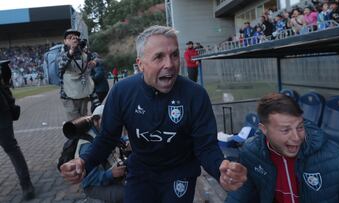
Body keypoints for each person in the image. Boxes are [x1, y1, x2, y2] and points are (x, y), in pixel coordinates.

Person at [60, 25, 247, 203]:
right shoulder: (122, 92)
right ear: (140, 64)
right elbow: (107, 138)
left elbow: (205, 146)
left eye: (174, 55)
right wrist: (84, 161)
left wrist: (220, 168)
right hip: (141, 173)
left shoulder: (195, 94)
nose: (170, 64)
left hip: (180, 174)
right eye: (159, 57)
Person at [225, 92, 339, 203]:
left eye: (300, 127)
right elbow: (239, 197)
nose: (296, 137)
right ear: (264, 129)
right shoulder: (251, 153)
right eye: (285, 130)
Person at [71, 105, 127, 202]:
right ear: (95, 121)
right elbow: (88, 180)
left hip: (108, 174)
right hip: (93, 186)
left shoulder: (102, 132)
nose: (111, 124)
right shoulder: (87, 146)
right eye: (106, 121)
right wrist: (111, 174)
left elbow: (119, 140)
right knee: (129, 193)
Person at [0, 60, 35, 200]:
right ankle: (27, 186)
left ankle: (26, 185)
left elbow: (5, 83)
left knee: (11, 148)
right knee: (12, 149)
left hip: (2, 115)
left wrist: (4, 67)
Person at [57, 29, 96, 120]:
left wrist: (94, 62)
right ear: (65, 41)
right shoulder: (61, 53)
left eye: (75, 38)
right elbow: (60, 70)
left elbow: (97, 58)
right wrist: (71, 51)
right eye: (70, 38)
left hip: (82, 93)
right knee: (75, 122)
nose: (73, 40)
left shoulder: (83, 52)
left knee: (84, 120)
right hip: (68, 95)